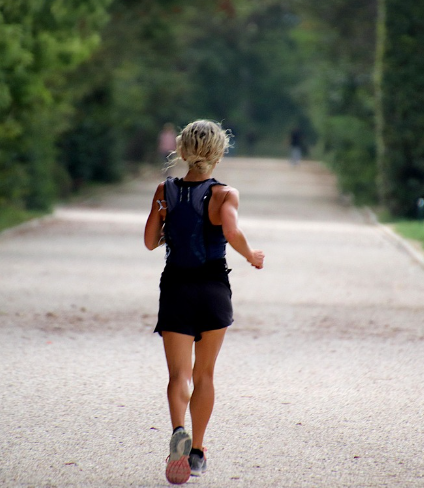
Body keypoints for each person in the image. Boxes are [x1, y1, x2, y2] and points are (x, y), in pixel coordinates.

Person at [144, 119, 265, 484]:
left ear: (181, 152)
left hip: (176, 288)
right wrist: (250, 255)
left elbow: (150, 242)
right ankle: (196, 452)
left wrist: (169, 226)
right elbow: (231, 231)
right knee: (204, 374)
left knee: (177, 375)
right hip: (213, 289)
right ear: (218, 153)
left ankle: (177, 429)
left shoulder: (164, 190)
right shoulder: (225, 194)